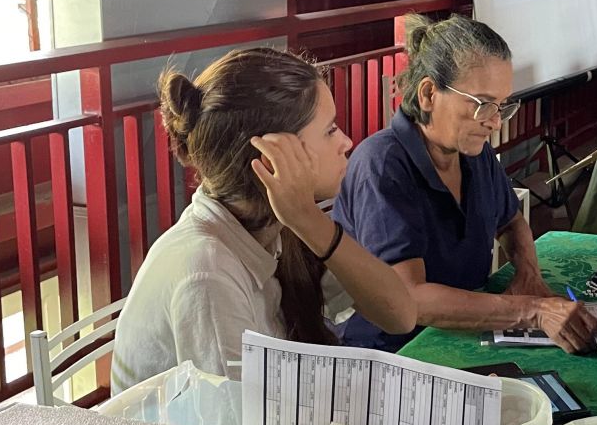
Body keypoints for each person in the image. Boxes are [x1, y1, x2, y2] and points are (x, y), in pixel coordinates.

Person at [112, 48, 416, 390]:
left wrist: (309, 221)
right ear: (272, 158)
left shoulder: (283, 224)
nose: (346, 141)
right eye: (330, 130)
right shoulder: (207, 274)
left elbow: (399, 315)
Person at [333, 14, 597, 354]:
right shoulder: (384, 165)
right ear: (429, 93)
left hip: (462, 333)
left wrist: (528, 275)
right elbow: (410, 297)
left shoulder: (473, 152)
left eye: (502, 106)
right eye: (482, 105)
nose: (493, 122)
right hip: (395, 351)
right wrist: (532, 310)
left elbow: (511, 221)